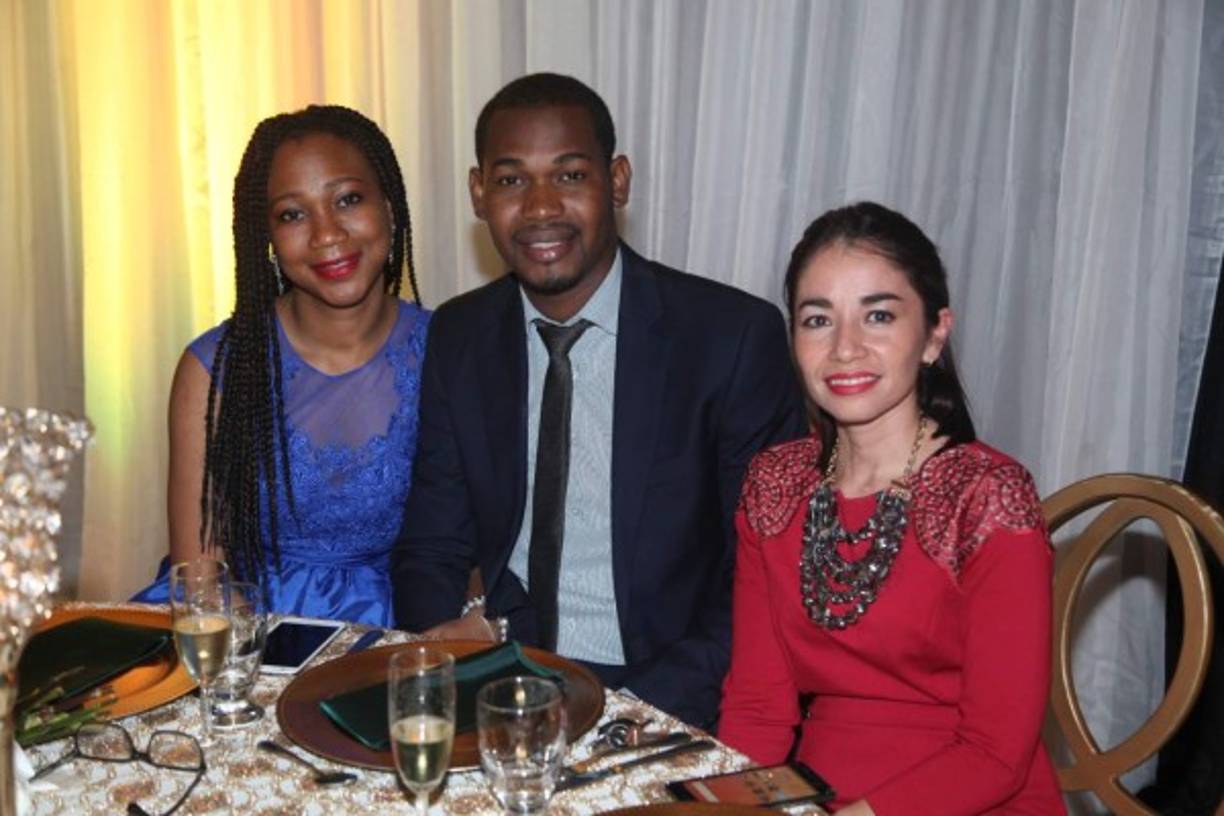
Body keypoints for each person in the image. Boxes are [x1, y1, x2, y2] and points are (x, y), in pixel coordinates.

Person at [392, 73, 805, 728]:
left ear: (616, 181)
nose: (539, 208)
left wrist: (625, 712)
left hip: (667, 695)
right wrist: (451, 650)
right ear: (478, 193)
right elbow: (431, 545)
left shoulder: (728, 339)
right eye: (510, 180)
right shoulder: (461, 334)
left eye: (570, 175)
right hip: (504, 680)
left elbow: (759, 581)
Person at [718, 202, 1065, 814]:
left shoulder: (988, 497)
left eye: (878, 316)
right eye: (817, 320)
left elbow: (996, 752)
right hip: (815, 791)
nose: (845, 349)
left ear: (934, 334)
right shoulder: (775, 484)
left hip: (970, 796)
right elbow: (757, 707)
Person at [134, 105, 430, 626]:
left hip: (407, 628)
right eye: (293, 214)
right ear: (266, 236)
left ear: (388, 204)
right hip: (244, 627)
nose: (326, 234)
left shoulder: (450, 351)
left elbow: (479, 553)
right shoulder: (214, 370)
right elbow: (203, 579)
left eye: (348, 200)